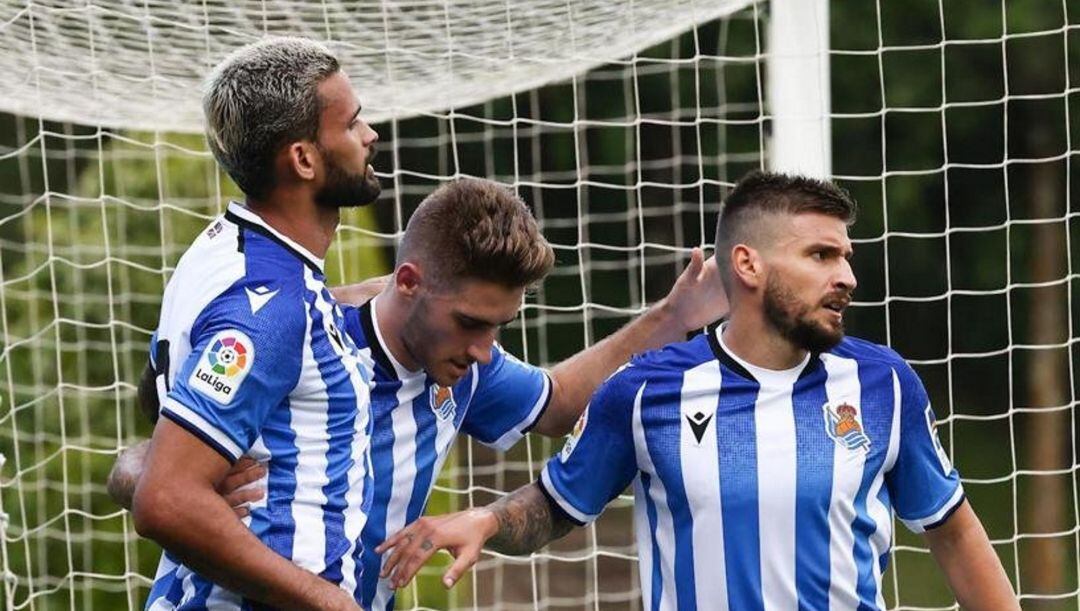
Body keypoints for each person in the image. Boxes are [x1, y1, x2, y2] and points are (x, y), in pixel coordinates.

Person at [376, 171, 1020, 610]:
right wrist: (487, 520)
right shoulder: (645, 391)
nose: (847, 275)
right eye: (822, 256)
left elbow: (953, 530)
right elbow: (555, 506)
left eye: (845, 257)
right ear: (748, 264)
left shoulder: (883, 385)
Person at [112, 177, 729, 611]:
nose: (485, 348)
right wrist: (143, 469)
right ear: (408, 282)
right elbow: (158, 456)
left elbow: (560, 401)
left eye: (497, 327)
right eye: (469, 322)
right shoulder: (300, 331)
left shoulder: (464, 365)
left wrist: (672, 318)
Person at [131, 37, 380, 610]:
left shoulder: (217, 253)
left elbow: (159, 397)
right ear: (303, 159)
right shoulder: (269, 300)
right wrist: (327, 601)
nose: (370, 135)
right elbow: (164, 498)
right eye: (352, 123)